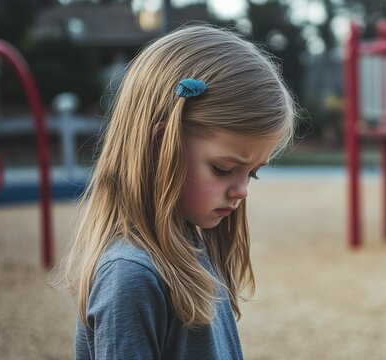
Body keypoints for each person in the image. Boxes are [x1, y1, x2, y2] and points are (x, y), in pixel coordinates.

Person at [52, 24, 296, 359]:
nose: (242, 191)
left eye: (252, 174)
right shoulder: (130, 277)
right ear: (159, 146)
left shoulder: (188, 247)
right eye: (223, 169)